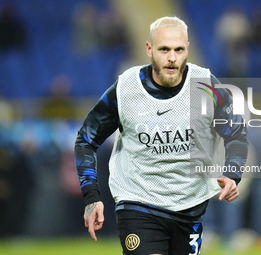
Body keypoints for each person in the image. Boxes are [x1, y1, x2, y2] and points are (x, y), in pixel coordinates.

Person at [74, 16, 248, 255]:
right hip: (138, 203)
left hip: (190, 206)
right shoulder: (126, 89)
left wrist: (232, 173)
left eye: (178, 49)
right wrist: (92, 197)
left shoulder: (205, 85)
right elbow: (86, 139)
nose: (172, 58)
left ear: (187, 49)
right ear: (149, 49)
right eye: (164, 49)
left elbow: (236, 133)